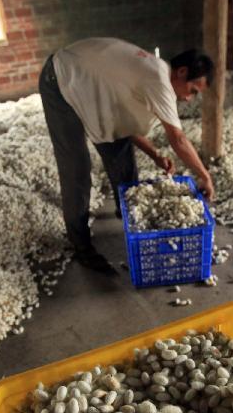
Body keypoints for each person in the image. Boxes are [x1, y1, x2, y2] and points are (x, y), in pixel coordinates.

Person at [38, 37, 216, 273]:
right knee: (76, 168)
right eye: (192, 91)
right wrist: (204, 175)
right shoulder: (159, 80)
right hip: (60, 77)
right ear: (182, 72)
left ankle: (131, 218)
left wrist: (154, 154)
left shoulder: (153, 74)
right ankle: (81, 247)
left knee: (118, 147)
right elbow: (178, 139)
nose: (188, 99)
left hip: (90, 82)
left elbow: (124, 126)